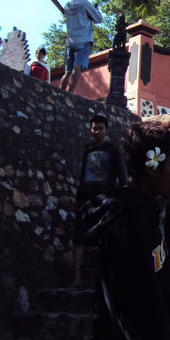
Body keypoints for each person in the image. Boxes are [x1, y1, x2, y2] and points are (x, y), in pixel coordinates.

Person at [79, 120, 170, 340]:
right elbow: (138, 317)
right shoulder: (127, 225)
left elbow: (166, 272)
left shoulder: (145, 216)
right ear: (151, 166)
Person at [72, 115, 126, 287]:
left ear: (107, 130)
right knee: (79, 236)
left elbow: (120, 175)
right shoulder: (87, 150)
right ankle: (77, 276)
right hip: (85, 198)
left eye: (101, 128)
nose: (98, 131)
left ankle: (104, 277)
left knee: (105, 236)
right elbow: (82, 176)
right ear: (90, 130)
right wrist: (78, 197)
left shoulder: (113, 150)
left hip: (105, 198)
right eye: (95, 128)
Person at [60, 0, 103, 94]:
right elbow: (98, 19)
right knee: (77, 68)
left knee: (68, 71)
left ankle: (60, 92)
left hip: (70, 41)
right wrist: (96, 10)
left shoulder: (68, 5)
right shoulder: (86, 4)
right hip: (83, 40)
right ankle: (70, 93)